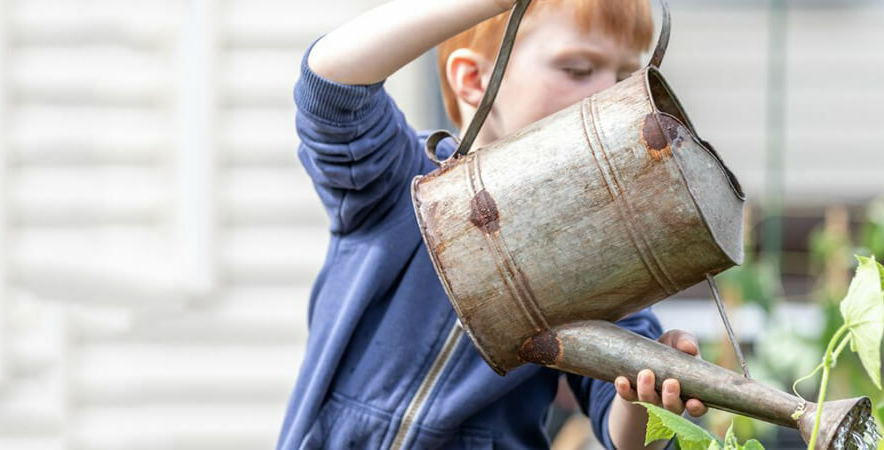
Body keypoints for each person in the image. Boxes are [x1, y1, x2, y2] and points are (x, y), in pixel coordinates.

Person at [278, 0, 709, 448]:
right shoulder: (400, 180)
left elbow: (625, 434)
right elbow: (330, 82)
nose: (611, 95)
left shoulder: (597, 251)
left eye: (624, 78)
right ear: (473, 80)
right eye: (579, 69)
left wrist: (648, 395)